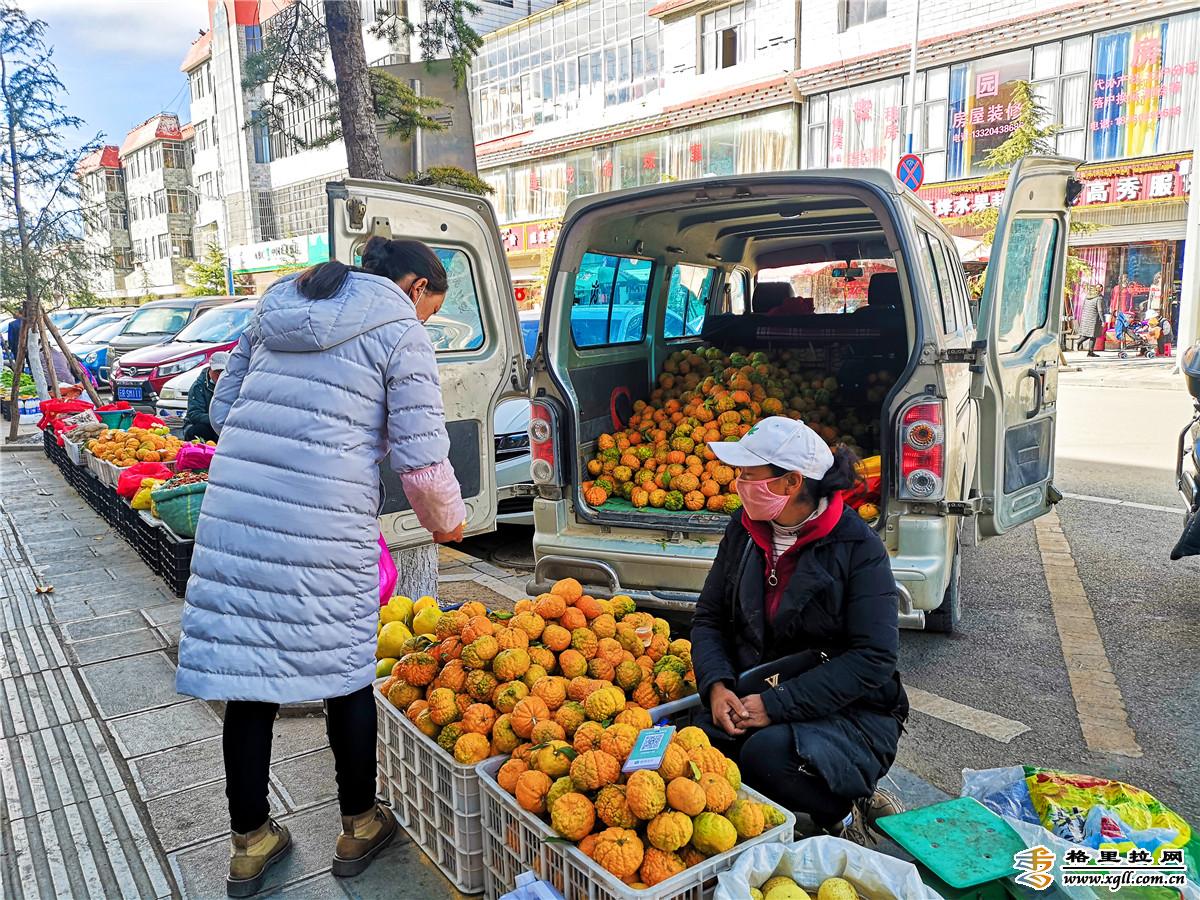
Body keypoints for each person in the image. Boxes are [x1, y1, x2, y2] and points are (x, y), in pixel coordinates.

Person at [176, 237, 467, 897]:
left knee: (247, 677)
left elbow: (224, 410)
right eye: (429, 308)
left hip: (239, 516)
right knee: (345, 672)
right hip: (325, 521)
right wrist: (447, 523)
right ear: (417, 286)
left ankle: (249, 842)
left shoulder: (274, 304)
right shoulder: (399, 325)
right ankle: (359, 823)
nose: (422, 318)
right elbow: (423, 461)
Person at [691, 417, 909, 843]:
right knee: (697, 744)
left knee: (765, 757)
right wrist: (717, 687)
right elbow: (709, 617)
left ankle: (842, 811)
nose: (737, 485)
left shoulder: (858, 549)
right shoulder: (744, 529)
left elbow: (873, 659)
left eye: (748, 477)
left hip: (850, 708)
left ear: (791, 483)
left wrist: (775, 705)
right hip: (757, 685)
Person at [182, 352, 226, 443]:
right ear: (210, 369)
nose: (219, 375)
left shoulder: (232, 385)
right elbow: (194, 414)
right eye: (217, 371)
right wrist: (217, 420)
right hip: (204, 424)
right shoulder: (198, 387)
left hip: (224, 424)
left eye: (223, 372)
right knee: (198, 431)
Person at [1076, 283, 1107, 357]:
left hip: (1086, 318)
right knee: (1092, 335)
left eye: (1101, 288)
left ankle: (1090, 352)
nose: (1100, 289)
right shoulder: (1099, 298)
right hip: (1094, 319)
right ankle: (1079, 343)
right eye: (1099, 288)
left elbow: (1083, 307)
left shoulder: (1088, 297)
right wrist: (1103, 320)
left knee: (1091, 335)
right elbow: (1100, 310)